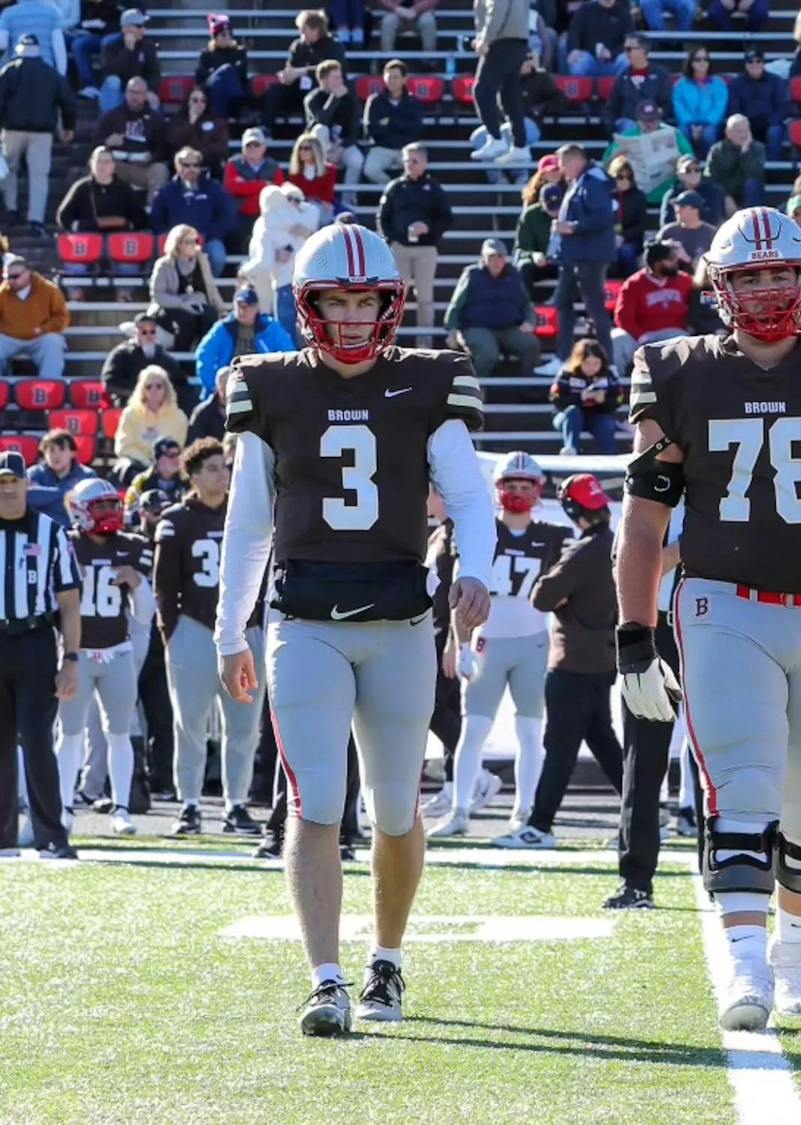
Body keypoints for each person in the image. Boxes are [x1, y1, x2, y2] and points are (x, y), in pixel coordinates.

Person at [617, 204, 801, 1029]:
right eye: (748, 276)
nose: (767, 289)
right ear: (720, 286)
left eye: (781, 271)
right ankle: (746, 968)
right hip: (723, 603)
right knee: (742, 784)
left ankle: (795, 946)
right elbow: (643, 520)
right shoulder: (679, 369)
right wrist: (634, 636)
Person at [215, 217, 494, 1036]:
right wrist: (233, 626)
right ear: (304, 306)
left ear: (392, 303)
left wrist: (471, 569)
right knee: (316, 801)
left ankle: (388, 961)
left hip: (403, 618)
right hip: (304, 620)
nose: (348, 316)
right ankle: (325, 977)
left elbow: (471, 498)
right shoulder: (271, 386)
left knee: (397, 807)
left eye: (364, 299)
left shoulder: (428, 382)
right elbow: (249, 522)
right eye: (332, 299)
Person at [427, 453, 568, 838]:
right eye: (511, 486)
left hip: (534, 643)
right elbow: (460, 591)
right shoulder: (484, 531)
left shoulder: (554, 535)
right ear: (499, 489)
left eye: (525, 487)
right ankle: (460, 810)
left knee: (529, 733)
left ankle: (524, 812)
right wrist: (460, 644)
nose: (518, 494)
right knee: (473, 731)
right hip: (488, 641)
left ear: (538, 491)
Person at [493, 474, 624, 848]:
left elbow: (542, 596)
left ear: (572, 508)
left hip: (573, 663)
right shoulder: (613, 545)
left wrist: (556, 589)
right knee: (604, 744)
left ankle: (539, 826)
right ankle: (644, 814)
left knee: (560, 747)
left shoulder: (584, 551)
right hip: (603, 659)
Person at [151, 437, 261, 837]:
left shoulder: (247, 513)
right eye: (212, 468)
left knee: (245, 724)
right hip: (194, 628)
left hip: (246, 630)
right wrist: (171, 632)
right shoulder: (177, 519)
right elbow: (163, 585)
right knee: (190, 723)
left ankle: (236, 804)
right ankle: (191, 803)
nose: (222, 474)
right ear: (194, 476)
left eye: (225, 466)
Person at [54, 478, 154, 835]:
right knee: (69, 732)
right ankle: (64, 807)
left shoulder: (132, 546)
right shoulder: (66, 546)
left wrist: (138, 581)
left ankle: (121, 809)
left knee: (119, 732)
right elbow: (53, 606)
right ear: (81, 512)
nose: (111, 513)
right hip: (76, 654)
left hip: (117, 651)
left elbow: (145, 614)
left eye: (114, 505)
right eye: (102, 507)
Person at [0, 451, 81, 859]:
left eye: (14, 481)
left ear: (27, 484)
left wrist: (71, 659)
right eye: (1, 483)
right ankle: (3, 838)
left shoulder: (51, 532)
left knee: (36, 740)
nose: (8, 489)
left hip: (34, 641)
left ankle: (51, 835)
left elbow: (69, 601)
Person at [0, 34, 76, 235]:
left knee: (10, 171)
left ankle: (12, 209)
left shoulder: (9, 71)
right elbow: (69, 102)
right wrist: (68, 126)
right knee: (39, 176)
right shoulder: (50, 73)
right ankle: (36, 220)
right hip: (42, 133)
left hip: (11, 130)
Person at [377, 144, 452, 346]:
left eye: (415, 161)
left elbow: (447, 219)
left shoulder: (434, 188)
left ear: (425, 163)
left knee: (425, 296)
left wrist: (428, 228)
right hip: (400, 248)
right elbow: (383, 218)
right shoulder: (395, 187)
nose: (410, 165)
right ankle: (389, 338)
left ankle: (424, 343)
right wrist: (391, 240)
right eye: (406, 161)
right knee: (395, 295)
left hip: (426, 248)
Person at [553, 143, 615, 362]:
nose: (562, 170)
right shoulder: (580, 181)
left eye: (563, 164)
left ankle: (608, 360)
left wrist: (573, 226)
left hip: (590, 256)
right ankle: (563, 356)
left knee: (594, 308)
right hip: (576, 256)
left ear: (574, 161)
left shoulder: (593, 182)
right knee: (562, 301)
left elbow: (604, 217)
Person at [445, 237, 541, 377]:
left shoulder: (514, 276)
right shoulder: (472, 274)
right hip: (476, 327)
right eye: (492, 256)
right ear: (483, 258)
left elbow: (527, 304)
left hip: (508, 327)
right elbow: (456, 304)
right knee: (488, 353)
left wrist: (529, 322)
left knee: (531, 345)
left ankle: (531, 392)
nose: (496, 260)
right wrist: (451, 329)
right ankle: (472, 389)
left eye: (500, 256)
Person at [245, 183, 320, 342]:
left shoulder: (307, 226)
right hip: (277, 282)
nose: (293, 203)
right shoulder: (267, 224)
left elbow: (264, 261)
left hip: (292, 283)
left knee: (291, 335)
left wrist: (244, 271)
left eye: (298, 200)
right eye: (289, 199)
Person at [194, 288, 297, 399]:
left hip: (263, 386)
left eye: (247, 306)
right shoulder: (223, 328)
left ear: (257, 308)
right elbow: (203, 354)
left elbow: (290, 355)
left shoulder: (271, 328)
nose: (242, 310)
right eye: (239, 306)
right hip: (230, 386)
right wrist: (214, 386)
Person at [611, 240, 694, 374]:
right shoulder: (633, 284)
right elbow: (623, 318)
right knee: (617, 340)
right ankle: (617, 385)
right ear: (656, 264)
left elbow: (699, 304)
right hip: (643, 335)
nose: (675, 263)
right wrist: (641, 335)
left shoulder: (684, 280)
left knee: (685, 343)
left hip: (675, 333)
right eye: (671, 260)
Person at [470, 0, 535, 169]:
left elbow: (497, 9)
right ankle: (520, 145)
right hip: (518, 42)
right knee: (509, 96)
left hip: (502, 41)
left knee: (482, 91)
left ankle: (495, 138)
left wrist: (485, 39)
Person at [150, 148, 234, 277]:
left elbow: (227, 217)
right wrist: (173, 237)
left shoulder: (213, 189)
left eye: (196, 165)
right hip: (176, 242)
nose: (191, 169)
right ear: (178, 167)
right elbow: (156, 219)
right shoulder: (166, 192)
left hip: (207, 239)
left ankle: (208, 285)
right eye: (186, 165)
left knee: (218, 256)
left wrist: (206, 235)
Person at [263, 10, 345, 133]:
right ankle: (266, 128)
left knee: (317, 91)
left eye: (304, 29)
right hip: (298, 90)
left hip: (322, 94)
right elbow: (291, 68)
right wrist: (288, 75)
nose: (301, 33)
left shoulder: (334, 46)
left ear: (316, 29)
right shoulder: (298, 45)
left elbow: (332, 69)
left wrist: (302, 72)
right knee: (275, 90)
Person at [147, 224, 225, 350]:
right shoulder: (164, 264)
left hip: (198, 304)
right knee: (186, 321)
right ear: (177, 244)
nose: (193, 245)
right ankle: (182, 361)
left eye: (195, 241)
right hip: (171, 306)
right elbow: (158, 295)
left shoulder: (202, 260)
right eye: (188, 242)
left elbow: (211, 288)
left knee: (210, 317)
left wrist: (222, 310)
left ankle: (203, 355)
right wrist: (181, 303)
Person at [0, 254, 68, 381]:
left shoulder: (49, 290)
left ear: (27, 273)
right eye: (7, 277)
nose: (10, 281)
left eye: (15, 277)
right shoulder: (2, 292)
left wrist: (44, 328)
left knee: (54, 342)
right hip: (9, 338)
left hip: (39, 337)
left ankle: (50, 386)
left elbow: (61, 317)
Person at [549, 337, 621, 455]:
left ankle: (609, 454)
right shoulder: (567, 374)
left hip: (595, 416)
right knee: (573, 411)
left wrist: (604, 400)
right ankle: (571, 449)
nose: (592, 368)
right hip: (566, 417)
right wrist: (579, 398)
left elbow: (619, 398)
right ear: (579, 361)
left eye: (596, 364)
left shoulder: (608, 375)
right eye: (587, 363)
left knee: (606, 422)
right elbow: (555, 398)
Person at [359, 61, 424, 188]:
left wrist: (389, 122)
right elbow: (371, 129)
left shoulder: (414, 102)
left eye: (396, 77)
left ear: (404, 79)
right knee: (370, 169)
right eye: (389, 77)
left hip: (405, 148)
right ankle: (394, 189)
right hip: (382, 147)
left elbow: (416, 129)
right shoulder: (374, 101)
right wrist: (401, 125)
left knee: (417, 169)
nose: (392, 81)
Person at [103, 313, 187, 407]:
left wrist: (162, 393)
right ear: (135, 332)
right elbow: (109, 383)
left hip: (160, 409)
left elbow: (181, 382)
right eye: (144, 332)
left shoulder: (163, 356)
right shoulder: (121, 354)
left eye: (152, 331)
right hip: (130, 406)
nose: (149, 335)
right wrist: (141, 392)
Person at [115, 370, 188, 470]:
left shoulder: (179, 417)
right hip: (136, 465)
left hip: (169, 467)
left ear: (166, 389)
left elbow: (179, 449)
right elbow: (124, 447)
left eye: (158, 386)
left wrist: (161, 464)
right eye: (148, 386)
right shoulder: (130, 414)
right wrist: (147, 463)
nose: (154, 390)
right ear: (142, 390)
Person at [726, 50, 788, 161]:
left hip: (769, 123)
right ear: (745, 64)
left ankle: (772, 169)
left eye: (758, 61)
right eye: (750, 61)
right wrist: (743, 125)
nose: (754, 64)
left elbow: (783, 107)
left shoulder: (776, 81)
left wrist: (770, 121)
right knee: (735, 130)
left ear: (763, 63)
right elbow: (733, 109)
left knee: (775, 132)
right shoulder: (736, 84)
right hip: (745, 124)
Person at [26, 430, 96, 524]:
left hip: (74, 531)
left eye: (62, 449)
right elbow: (27, 497)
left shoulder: (87, 475)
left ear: (73, 453)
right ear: (44, 454)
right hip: (41, 530)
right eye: (51, 450)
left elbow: (87, 507)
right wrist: (67, 494)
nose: (56, 455)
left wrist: (44, 497)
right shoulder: (33, 473)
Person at [97, 9, 158, 116]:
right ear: (126, 29)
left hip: (139, 90)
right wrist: (128, 50)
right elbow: (112, 71)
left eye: (143, 26)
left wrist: (148, 90)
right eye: (139, 26)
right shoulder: (111, 45)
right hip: (119, 92)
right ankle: (110, 121)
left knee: (153, 99)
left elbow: (154, 73)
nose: (143, 30)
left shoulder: (148, 46)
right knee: (113, 81)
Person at [195, 15, 249, 122]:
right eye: (223, 34)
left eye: (230, 34)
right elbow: (201, 77)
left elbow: (243, 73)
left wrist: (216, 71)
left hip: (233, 100)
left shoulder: (239, 52)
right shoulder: (206, 55)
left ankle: (220, 124)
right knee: (225, 72)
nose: (227, 37)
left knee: (227, 74)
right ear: (215, 37)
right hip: (214, 97)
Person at [164, 89, 229, 179]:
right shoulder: (178, 120)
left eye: (203, 101)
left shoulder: (216, 121)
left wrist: (200, 155)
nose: (199, 104)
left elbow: (221, 147)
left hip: (208, 163)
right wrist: (191, 122)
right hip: (182, 164)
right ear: (188, 102)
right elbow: (174, 141)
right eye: (195, 100)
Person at [517, 180, 563, 300]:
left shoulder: (571, 212)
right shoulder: (530, 215)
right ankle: (530, 303)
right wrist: (533, 254)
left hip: (563, 261)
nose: (555, 211)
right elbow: (522, 247)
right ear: (541, 202)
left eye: (558, 206)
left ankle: (560, 302)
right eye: (551, 207)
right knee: (523, 267)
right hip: (540, 263)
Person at [564, 0, 634, 78]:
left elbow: (630, 41)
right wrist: (574, 49)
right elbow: (574, 31)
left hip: (613, 60)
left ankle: (618, 88)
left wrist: (612, 53)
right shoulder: (585, 10)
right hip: (590, 57)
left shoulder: (624, 13)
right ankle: (584, 89)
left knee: (626, 61)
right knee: (577, 63)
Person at [286, 133, 339, 223]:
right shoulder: (294, 172)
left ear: (315, 150)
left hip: (321, 208)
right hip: (300, 208)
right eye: (300, 148)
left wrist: (309, 200)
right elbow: (295, 197)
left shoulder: (329, 170)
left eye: (306, 148)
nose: (302, 151)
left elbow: (327, 198)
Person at [659, 156, 724, 228]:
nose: (693, 173)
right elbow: (666, 223)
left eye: (697, 169)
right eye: (688, 170)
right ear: (680, 175)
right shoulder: (671, 195)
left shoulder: (712, 192)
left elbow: (714, 220)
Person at [123, 437, 185, 509]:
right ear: (157, 458)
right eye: (171, 455)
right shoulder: (142, 482)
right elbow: (130, 507)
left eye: (178, 455)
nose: (176, 459)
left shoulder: (189, 482)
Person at [659, 190, 717, 261]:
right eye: (677, 207)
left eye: (682, 207)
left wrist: (686, 258)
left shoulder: (711, 234)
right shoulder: (668, 231)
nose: (678, 210)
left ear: (695, 210)